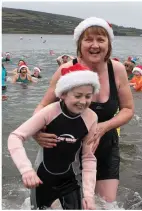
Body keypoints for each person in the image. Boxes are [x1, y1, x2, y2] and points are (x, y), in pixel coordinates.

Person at [33, 17, 134, 209]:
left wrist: (104, 127)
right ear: (79, 43)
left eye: (100, 39)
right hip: (67, 145)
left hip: (104, 145)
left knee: (107, 204)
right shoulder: (66, 70)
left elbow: (128, 109)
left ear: (108, 44)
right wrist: (37, 131)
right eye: (88, 40)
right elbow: (42, 106)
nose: (95, 45)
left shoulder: (117, 69)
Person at [8, 63, 101, 210]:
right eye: (77, 95)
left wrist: (88, 195)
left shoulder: (91, 118)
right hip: (43, 179)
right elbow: (15, 137)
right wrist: (26, 170)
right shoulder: (49, 112)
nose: (83, 101)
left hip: (70, 179)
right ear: (63, 94)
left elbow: (88, 157)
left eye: (88, 96)